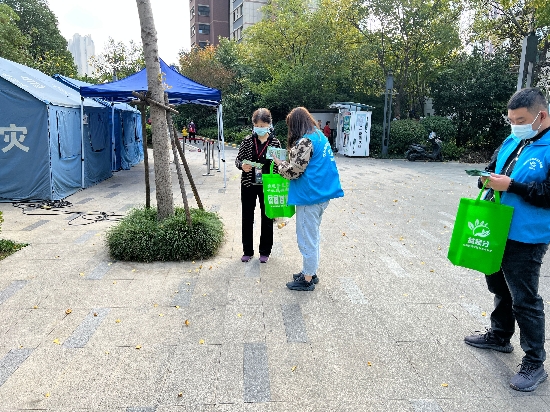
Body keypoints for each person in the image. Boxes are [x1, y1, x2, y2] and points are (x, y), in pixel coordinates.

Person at [464, 87, 550, 392]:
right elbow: (493, 166)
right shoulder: (513, 139)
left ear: (541, 115)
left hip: (527, 236)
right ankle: (500, 336)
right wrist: (486, 177)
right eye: (511, 120)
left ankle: (534, 362)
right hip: (496, 226)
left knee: (524, 297)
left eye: (521, 119)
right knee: (498, 285)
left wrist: (513, 186)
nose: (515, 125)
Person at [272, 107, 344, 291]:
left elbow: (294, 172)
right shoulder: (320, 136)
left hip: (309, 196)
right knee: (313, 235)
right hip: (322, 194)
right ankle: (310, 271)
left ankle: (307, 279)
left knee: (306, 238)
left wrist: (280, 165)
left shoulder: (305, 141)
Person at [235, 108, 282, 263]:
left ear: (269, 124)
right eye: (258, 125)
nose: (260, 128)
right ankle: (247, 250)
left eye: (263, 125)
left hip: (267, 185)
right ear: (253, 124)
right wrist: (242, 165)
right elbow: (238, 160)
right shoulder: (247, 140)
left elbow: (279, 165)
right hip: (248, 183)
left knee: (267, 217)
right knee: (247, 217)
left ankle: (265, 251)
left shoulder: (275, 142)